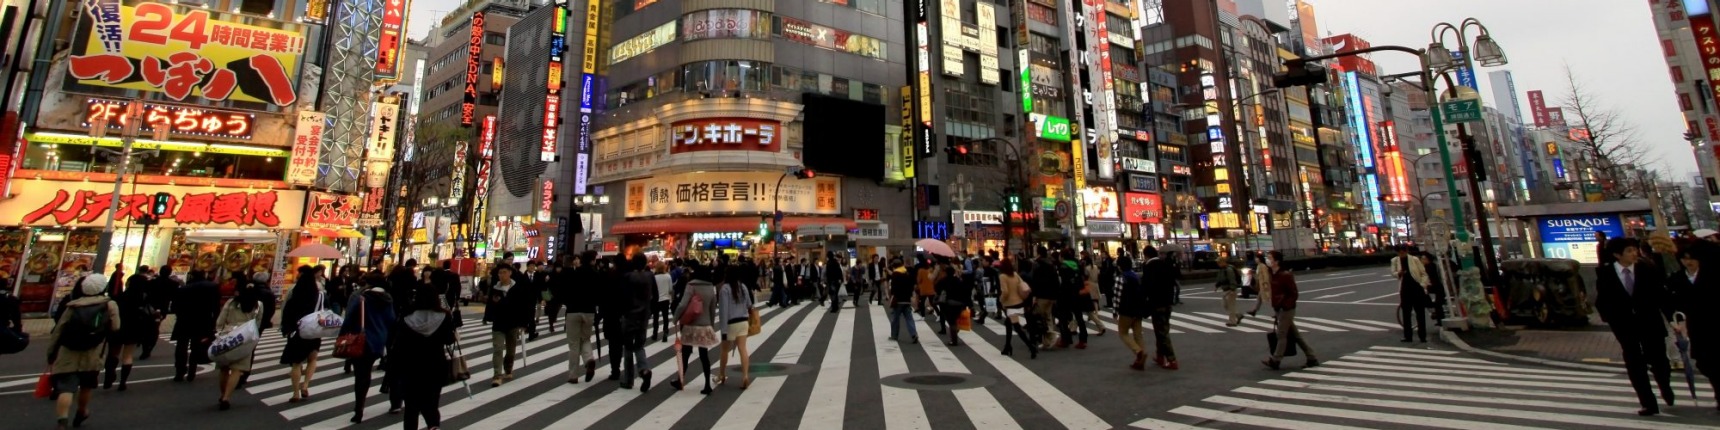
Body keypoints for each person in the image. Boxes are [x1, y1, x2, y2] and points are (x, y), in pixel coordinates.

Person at [1594, 238, 1676, 416]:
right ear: (1617, 254)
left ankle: (1665, 385)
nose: (1634, 254)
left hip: (1650, 323)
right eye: (1629, 251)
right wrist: (1611, 320)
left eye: (1635, 250)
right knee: (1634, 365)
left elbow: (1661, 296)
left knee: (1659, 361)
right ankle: (1648, 403)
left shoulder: (1647, 269)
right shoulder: (1606, 273)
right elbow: (1602, 301)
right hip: (1625, 327)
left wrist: (1673, 319)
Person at [46, 275, 120, 430]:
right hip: (93, 350)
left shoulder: (73, 306)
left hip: (68, 350)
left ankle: (62, 420)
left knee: (66, 388)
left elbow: (58, 331)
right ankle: (82, 411)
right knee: (86, 385)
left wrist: (51, 352)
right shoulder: (109, 305)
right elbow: (115, 327)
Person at [392, 288, 459, 430]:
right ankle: (433, 426)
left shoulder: (407, 316)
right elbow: (449, 340)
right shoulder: (444, 316)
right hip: (435, 365)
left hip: (410, 366)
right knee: (432, 403)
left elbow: (398, 344)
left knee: (411, 407)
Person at [1670, 241, 1720, 411]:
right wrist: (1677, 322)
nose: (1688, 262)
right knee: (1704, 362)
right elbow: (1675, 303)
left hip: (1715, 323)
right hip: (1696, 326)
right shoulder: (1677, 278)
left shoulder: (1712, 274)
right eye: (1684, 259)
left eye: (1692, 259)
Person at [341, 273, 397, 423]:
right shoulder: (387, 299)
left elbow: (349, 317)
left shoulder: (360, 297)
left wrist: (342, 336)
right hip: (379, 339)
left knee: (361, 375)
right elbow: (391, 320)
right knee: (366, 372)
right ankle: (360, 406)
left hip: (361, 339)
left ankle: (359, 408)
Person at [279, 265, 333, 402]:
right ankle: (306, 385)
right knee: (312, 358)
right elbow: (326, 309)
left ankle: (295, 392)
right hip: (314, 329)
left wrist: (286, 328)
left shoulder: (295, 293)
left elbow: (287, 311)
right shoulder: (320, 295)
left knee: (296, 362)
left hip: (298, 329)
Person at [668, 261, 721, 393]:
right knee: (704, 356)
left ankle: (680, 380)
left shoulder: (691, 286)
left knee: (685, 354)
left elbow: (682, 304)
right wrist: (711, 325)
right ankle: (707, 385)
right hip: (705, 325)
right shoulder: (710, 287)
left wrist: (675, 319)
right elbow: (713, 308)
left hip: (690, 325)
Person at [1262, 251, 1318, 370]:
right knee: (1296, 335)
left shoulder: (1285, 275)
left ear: (1276, 261)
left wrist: (1285, 306)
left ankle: (1275, 360)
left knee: (1282, 335)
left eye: (1270, 258)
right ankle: (1311, 357)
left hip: (1286, 309)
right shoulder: (1273, 274)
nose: (1268, 260)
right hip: (1280, 309)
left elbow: (1293, 293)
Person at [104, 266, 154, 390]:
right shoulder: (143, 300)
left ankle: (109, 376)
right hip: (134, 328)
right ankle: (123, 382)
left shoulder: (120, 297)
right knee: (128, 355)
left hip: (118, 327)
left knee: (113, 353)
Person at [213, 286, 263, 410]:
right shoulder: (258, 305)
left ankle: (222, 394)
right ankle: (226, 397)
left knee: (224, 368)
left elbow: (220, 321)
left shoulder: (232, 302)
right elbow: (258, 323)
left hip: (228, 336)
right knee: (237, 370)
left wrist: (219, 331)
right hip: (245, 338)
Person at [486, 266, 531, 387]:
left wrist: (524, 323)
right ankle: (497, 375)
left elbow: (524, 306)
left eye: (504, 272)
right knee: (498, 349)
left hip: (513, 323)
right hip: (498, 324)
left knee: (511, 351)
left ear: (510, 273)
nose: (501, 275)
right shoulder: (495, 288)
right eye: (500, 273)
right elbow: (490, 304)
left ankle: (508, 368)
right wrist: (487, 317)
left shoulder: (517, 288)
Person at [560, 251, 601, 384]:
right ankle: (589, 359)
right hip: (589, 310)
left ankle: (573, 375)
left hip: (573, 310)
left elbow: (564, 291)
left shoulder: (574, 273)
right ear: (592, 260)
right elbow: (598, 293)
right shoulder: (595, 274)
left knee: (573, 344)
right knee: (586, 339)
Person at [172, 270, 220, 382]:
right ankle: (192, 372)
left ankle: (180, 371)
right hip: (203, 320)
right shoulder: (212, 287)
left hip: (184, 320)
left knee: (181, 346)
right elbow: (216, 307)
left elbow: (175, 307)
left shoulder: (183, 288)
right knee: (197, 346)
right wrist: (213, 322)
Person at [618, 254, 657, 391]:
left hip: (630, 315)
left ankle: (629, 380)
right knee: (639, 346)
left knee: (628, 347)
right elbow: (655, 296)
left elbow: (622, 296)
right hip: (644, 314)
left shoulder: (627, 277)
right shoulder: (650, 276)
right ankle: (644, 369)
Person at [1140, 247, 1179, 369]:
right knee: (1161, 330)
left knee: (1161, 332)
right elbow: (1173, 281)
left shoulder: (1149, 267)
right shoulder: (1165, 264)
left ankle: (1171, 360)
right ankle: (1160, 356)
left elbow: (1146, 286)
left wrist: (1143, 301)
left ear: (1146, 255)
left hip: (1157, 303)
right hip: (1167, 302)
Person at [997, 258, 1036, 359]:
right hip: (1019, 302)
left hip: (1010, 304)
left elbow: (1005, 292)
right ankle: (1007, 347)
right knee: (1008, 324)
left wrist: (1000, 300)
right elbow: (1023, 285)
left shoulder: (1003, 276)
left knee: (1017, 327)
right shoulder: (1015, 274)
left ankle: (1031, 347)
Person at [1392, 245, 1432, 343]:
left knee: (1420, 313)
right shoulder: (1395, 261)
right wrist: (1399, 273)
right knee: (1406, 313)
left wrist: (1422, 285)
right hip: (1404, 289)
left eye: (1403, 251)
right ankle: (1407, 336)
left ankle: (1422, 336)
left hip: (1417, 288)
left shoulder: (1414, 260)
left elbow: (1423, 273)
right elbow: (1393, 273)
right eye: (1399, 252)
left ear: (1406, 251)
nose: (1401, 253)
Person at [139, 266, 178, 360]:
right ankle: (149, 348)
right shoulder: (173, 284)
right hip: (163, 308)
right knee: (155, 328)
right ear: (169, 273)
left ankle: (145, 348)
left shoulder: (152, 282)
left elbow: (146, 294)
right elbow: (174, 297)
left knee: (147, 327)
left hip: (150, 307)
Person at [1053, 250, 1087, 349]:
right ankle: (1083, 340)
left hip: (1065, 294)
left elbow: (1061, 281)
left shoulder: (1062, 266)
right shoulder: (1077, 264)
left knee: (1062, 317)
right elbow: (1082, 277)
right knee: (1079, 317)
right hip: (1077, 293)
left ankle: (1066, 339)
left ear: (1062, 257)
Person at [935, 259, 973, 346]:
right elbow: (966, 291)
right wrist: (968, 304)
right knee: (955, 320)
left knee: (951, 322)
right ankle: (955, 332)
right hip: (959, 303)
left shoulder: (943, 281)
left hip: (948, 303)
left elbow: (937, 288)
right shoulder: (958, 281)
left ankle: (954, 340)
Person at [885, 258, 919, 343]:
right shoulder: (907, 273)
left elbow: (893, 289)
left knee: (895, 319)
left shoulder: (895, 274)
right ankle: (913, 334)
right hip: (907, 299)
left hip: (898, 300)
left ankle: (894, 336)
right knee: (909, 318)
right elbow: (911, 286)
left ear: (894, 266)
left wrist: (891, 296)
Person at [1078, 256, 1106, 336]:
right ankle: (1099, 319)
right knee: (1094, 301)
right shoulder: (1095, 267)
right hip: (1095, 284)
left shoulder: (1085, 270)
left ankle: (1072, 328)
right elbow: (1098, 274)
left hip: (1088, 286)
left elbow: (1085, 278)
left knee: (1078, 311)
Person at [1214, 257, 1245, 326]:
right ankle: (1238, 315)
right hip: (1225, 289)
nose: (1218, 264)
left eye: (1219, 262)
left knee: (1231, 306)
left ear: (1223, 262)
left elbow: (1232, 280)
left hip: (1230, 289)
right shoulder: (1222, 269)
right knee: (1225, 305)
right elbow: (1220, 279)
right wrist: (1217, 286)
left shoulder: (1229, 269)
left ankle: (1232, 321)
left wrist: (1232, 289)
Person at [652, 262, 673, 342]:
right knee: (665, 317)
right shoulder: (668, 276)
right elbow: (671, 289)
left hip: (656, 300)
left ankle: (655, 333)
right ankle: (665, 333)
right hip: (665, 299)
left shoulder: (654, 277)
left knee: (656, 317)